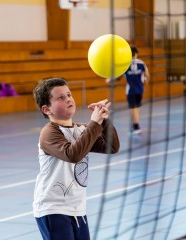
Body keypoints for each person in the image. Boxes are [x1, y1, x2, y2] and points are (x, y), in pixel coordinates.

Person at [32, 77, 120, 240]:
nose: (68, 99)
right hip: (53, 209)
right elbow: (73, 154)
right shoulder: (49, 133)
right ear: (47, 109)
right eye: (60, 97)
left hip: (77, 209)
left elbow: (111, 147)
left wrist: (105, 121)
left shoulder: (82, 130)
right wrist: (94, 123)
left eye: (69, 94)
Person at [107, 45, 150, 134]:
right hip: (140, 90)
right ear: (136, 54)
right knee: (136, 108)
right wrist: (145, 80)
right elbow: (147, 76)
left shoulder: (125, 65)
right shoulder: (141, 63)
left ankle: (136, 127)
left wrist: (109, 80)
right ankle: (135, 126)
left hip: (131, 91)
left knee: (133, 108)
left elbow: (118, 77)